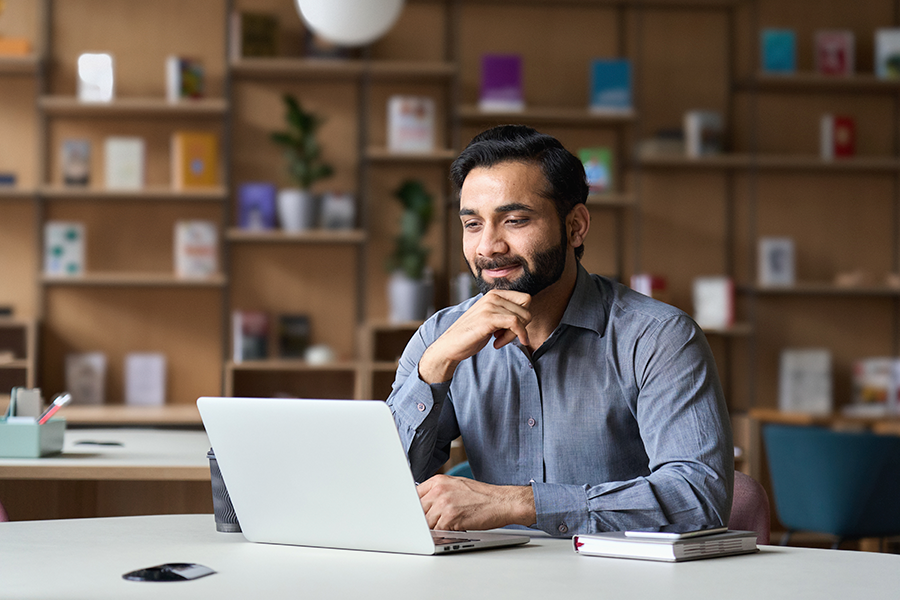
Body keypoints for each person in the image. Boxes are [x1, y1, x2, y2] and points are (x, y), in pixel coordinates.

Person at [385, 125, 733, 537]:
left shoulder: (659, 338)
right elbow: (378, 489)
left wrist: (521, 503)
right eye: (473, 224)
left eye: (514, 220)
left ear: (575, 227)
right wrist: (435, 368)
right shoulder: (439, 337)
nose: (488, 247)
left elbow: (699, 498)